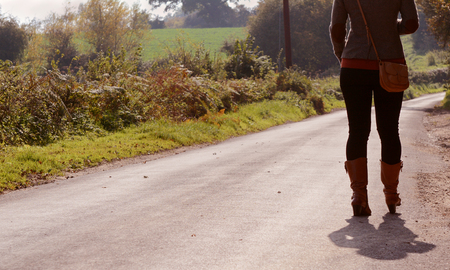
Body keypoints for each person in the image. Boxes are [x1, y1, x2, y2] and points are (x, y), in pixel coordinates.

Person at [329, 0, 419, 216]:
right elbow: (411, 24)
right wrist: (389, 27)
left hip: (353, 66)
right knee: (389, 131)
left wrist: (342, 54)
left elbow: (337, 28)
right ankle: (391, 195)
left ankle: (359, 196)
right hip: (391, 65)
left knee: (357, 131)